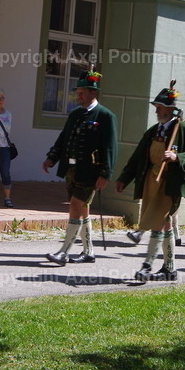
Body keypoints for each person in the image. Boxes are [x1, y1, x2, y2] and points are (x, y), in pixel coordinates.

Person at [115, 81, 185, 281]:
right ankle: (169, 268)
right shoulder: (153, 131)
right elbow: (137, 158)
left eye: (161, 107)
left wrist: (177, 157)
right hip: (150, 182)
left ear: (171, 110)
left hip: (170, 184)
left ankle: (146, 267)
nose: (157, 111)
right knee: (164, 225)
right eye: (156, 107)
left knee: (157, 223)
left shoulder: (184, 130)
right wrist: (123, 179)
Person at [41, 67, 118, 265]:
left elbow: (110, 147)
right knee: (82, 209)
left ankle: (64, 252)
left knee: (75, 206)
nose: (79, 96)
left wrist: (105, 174)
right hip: (71, 169)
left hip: (90, 172)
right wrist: (52, 157)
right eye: (78, 92)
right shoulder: (75, 114)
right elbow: (63, 138)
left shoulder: (105, 116)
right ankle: (89, 251)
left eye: (83, 93)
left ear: (94, 93)